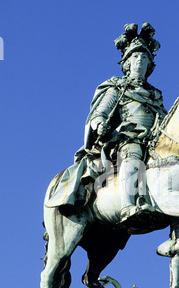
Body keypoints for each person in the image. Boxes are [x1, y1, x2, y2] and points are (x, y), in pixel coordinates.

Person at [46, 23, 167, 221]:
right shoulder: (116, 87)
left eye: (144, 58)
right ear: (127, 63)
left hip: (153, 139)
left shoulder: (156, 95)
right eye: (135, 57)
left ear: (149, 65)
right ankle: (128, 206)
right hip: (126, 137)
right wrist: (99, 124)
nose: (140, 61)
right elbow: (99, 113)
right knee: (133, 151)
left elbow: (164, 118)